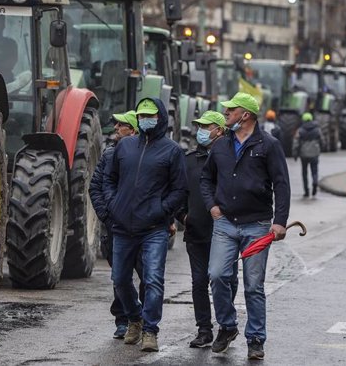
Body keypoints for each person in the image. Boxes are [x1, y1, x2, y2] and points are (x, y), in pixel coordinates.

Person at [200, 92, 290, 361]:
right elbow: (206, 179)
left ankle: (256, 338)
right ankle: (227, 327)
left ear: (246, 115)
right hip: (225, 222)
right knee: (216, 275)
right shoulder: (220, 146)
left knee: (253, 285)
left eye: (231, 109)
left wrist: (280, 222)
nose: (225, 113)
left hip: (258, 225)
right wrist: (211, 206)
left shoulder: (269, 145)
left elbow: (282, 184)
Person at [103, 97, 188, 352]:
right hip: (123, 227)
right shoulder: (125, 147)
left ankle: (150, 331)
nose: (144, 120)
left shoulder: (172, 151)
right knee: (119, 279)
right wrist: (114, 204)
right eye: (140, 116)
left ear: (160, 117)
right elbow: (109, 180)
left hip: (153, 230)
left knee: (153, 280)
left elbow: (179, 189)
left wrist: (161, 211)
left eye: (149, 115)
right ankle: (135, 318)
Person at [175, 110, 237, 349]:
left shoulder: (232, 158)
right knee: (199, 281)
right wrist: (183, 216)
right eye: (199, 126)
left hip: (226, 233)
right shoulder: (190, 160)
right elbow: (180, 192)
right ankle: (204, 329)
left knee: (226, 279)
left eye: (206, 126)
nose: (201, 130)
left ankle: (225, 325)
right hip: (196, 232)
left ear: (219, 130)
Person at [89, 110, 143, 340]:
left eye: (121, 125)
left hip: (142, 227)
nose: (115, 129)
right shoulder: (109, 156)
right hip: (115, 227)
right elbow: (96, 188)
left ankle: (142, 319)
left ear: (132, 130)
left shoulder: (145, 155)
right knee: (120, 277)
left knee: (147, 276)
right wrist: (107, 216)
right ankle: (124, 319)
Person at [292, 112, 323, 197]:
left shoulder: (300, 130)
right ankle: (315, 182)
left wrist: (295, 154)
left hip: (304, 155)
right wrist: (321, 148)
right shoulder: (317, 129)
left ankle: (306, 191)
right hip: (314, 154)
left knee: (304, 173)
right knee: (314, 171)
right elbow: (322, 140)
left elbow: (296, 143)